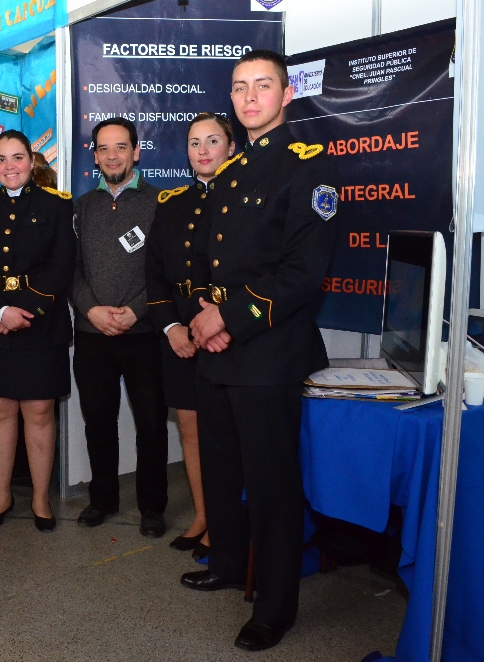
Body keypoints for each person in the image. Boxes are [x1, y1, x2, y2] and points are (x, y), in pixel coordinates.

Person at [180, 50, 339, 652]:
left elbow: (303, 275)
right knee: (222, 471)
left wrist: (229, 318)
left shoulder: (308, 168)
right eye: (240, 87)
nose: (250, 98)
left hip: (269, 351)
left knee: (270, 485)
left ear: (285, 94)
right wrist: (203, 317)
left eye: (262, 86)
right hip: (219, 348)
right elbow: (205, 258)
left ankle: (276, 606)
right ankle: (226, 562)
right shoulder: (233, 168)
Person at [0, 129, 76, 532]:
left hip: (39, 324)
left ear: (32, 161)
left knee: (40, 410)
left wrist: (21, 309)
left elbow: (62, 265)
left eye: (17, 158)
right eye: (1, 159)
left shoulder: (58, 206)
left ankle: (42, 499)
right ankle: (3, 495)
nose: (10, 167)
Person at [69, 118, 168, 538]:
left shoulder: (161, 202)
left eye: (120, 147)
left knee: (150, 424)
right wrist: (90, 310)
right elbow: (68, 270)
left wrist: (136, 311)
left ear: (136, 152)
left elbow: (165, 271)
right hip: (92, 337)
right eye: (104, 149)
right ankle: (102, 500)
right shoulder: (79, 207)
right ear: (94, 156)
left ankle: (153, 507)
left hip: (144, 336)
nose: (112, 155)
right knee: (98, 424)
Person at [146, 112, 236, 559]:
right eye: (195, 142)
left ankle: (228, 523)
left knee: (226, 434)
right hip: (179, 333)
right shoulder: (171, 202)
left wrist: (219, 324)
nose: (203, 150)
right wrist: (171, 327)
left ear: (231, 147)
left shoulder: (243, 197)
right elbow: (155, 273)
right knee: (192, 431)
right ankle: (204, 515)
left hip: (228, 333)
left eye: (213, 140)